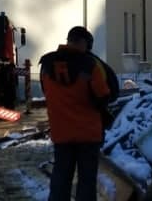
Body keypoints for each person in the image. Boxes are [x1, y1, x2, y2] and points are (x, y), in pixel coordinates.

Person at [40, 26, 112, 201]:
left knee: (60, 179)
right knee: (86, 183)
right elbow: (103, 95)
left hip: (61, 134)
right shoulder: (91, 65)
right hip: (88, 135)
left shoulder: (46, 65)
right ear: (84, 43)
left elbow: (46, 93)